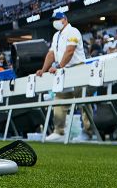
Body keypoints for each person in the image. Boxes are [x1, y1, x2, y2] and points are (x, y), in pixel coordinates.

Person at [35, 12, 87, 142]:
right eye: (53, 20)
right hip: (63, 72)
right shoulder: (56, 35)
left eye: (57, 19)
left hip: (77, 69)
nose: (55, 22)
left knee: (83, 101)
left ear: (64, 19)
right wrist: (43, 69)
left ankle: (89, 131)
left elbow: (70, 51)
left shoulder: (73, 31)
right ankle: (59, 131)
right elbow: (51, 54)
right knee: (59, 101)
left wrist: (58, 66)